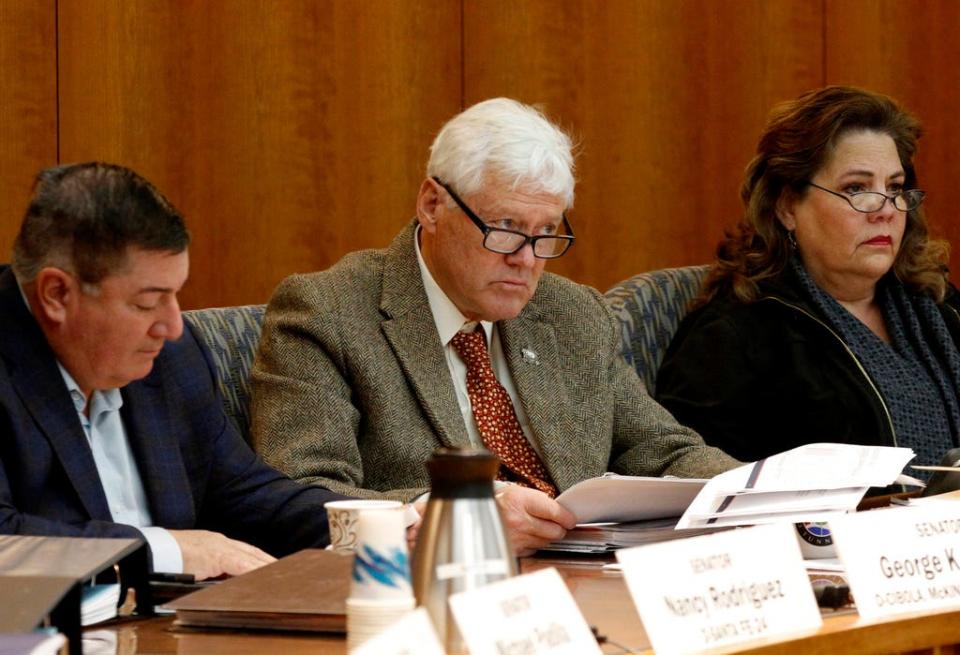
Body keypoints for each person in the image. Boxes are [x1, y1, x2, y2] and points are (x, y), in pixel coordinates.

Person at [251, 97, 738, 555]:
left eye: (545, 233)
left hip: (582, 578)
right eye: (505, 228)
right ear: (432, 204)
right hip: (431, 586)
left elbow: (660, 449)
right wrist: (464, 518)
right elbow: (301, 495)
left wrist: (761, 489)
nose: (527, 260)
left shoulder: (572, 312)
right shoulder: (327, 312)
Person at [0, 162, 349, 580]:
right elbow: (8, 541)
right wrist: (170, 551)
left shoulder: (173, 356)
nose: (173, 325)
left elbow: (245, 494)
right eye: (147, 303)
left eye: (174, 296)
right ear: (57, 294)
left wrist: (373, 526)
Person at [656, 86, 959, 469]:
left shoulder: (937, 304)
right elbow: (694, 483)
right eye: (857, 188)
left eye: (895, 188)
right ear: (786, 207)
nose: (885, 210)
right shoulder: (732, 336)